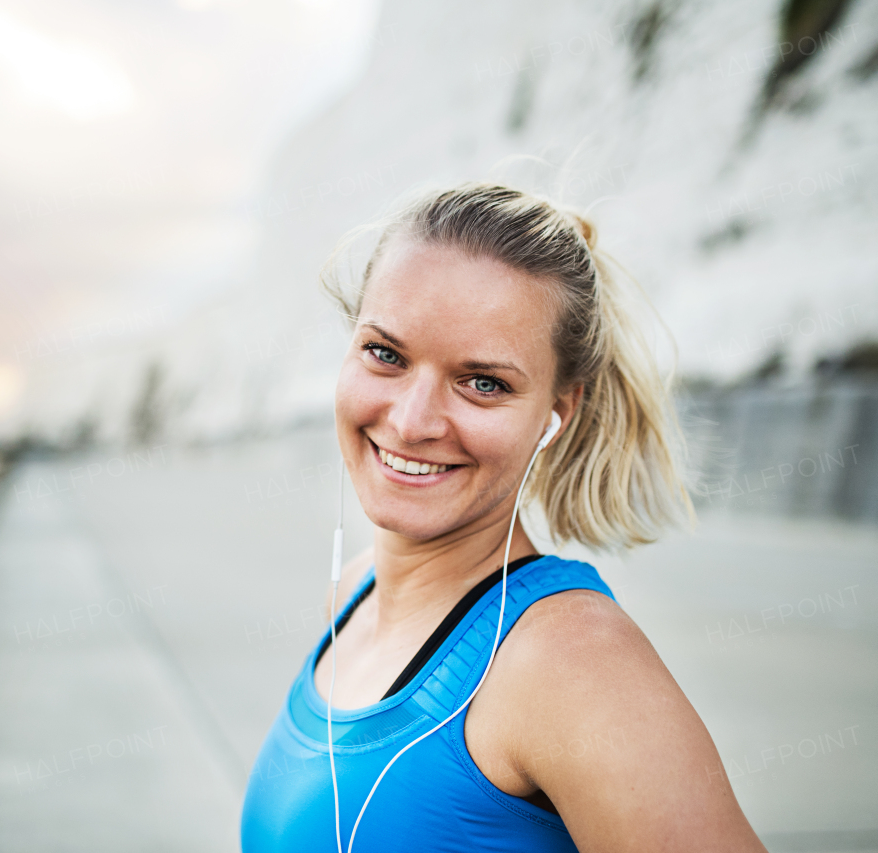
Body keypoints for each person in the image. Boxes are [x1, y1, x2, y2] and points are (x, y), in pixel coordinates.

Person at [240, 184, 766, 852]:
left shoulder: (573, 662)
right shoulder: (352, 593)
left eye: (483, 382)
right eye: (386, 353)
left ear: (557, 413)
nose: (411, 420)